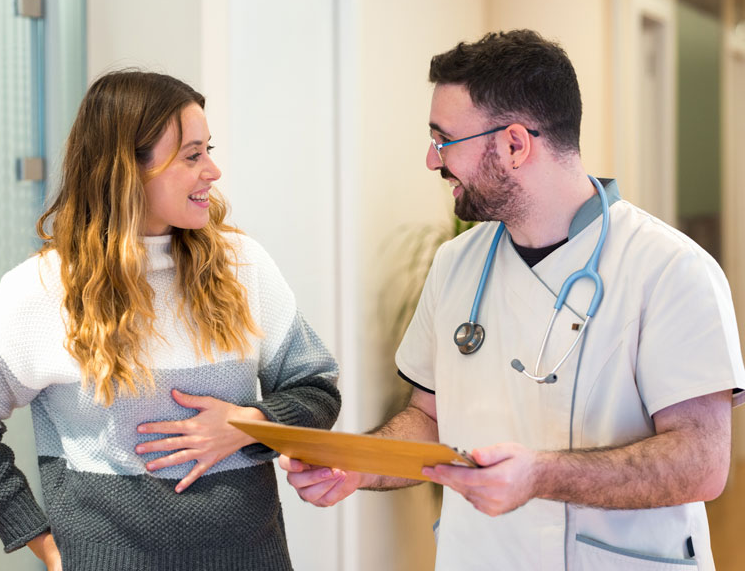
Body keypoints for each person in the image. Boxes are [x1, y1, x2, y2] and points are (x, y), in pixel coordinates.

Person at [279, 29, 745, 570]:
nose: (433, 161)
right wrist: (360, 465)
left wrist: (540, 475)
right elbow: (428, 419)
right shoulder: (456, 264)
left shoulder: (670, 270)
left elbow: (702, 463)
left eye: (444, 140)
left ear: (515, 144)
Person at [0, 70, 340, 570]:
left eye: (208, 150)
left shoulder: (244, 265)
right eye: (193, 155)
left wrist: (249, 422)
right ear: (126, 169)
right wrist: (44, 545)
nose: (213, 171)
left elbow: (317, 387)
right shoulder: (42, 289)